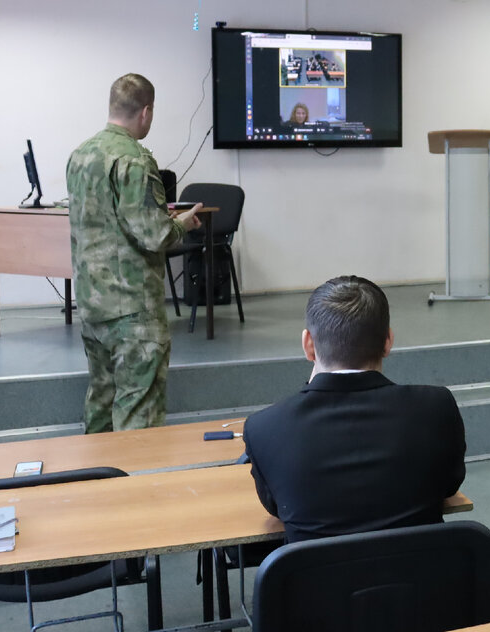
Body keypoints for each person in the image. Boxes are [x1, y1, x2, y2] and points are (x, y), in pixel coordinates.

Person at [242, 275, 466, 542]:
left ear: (308, 344)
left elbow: (275, 506)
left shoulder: (264, 428)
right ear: (388, 341)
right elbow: (449, 485)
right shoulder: (436, 408)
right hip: (421, 569)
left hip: (318, 571)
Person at [67, 74, 201, 433]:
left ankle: (96, 467)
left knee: (101, 400)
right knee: (138, 411)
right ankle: (134, 471)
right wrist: (182, 224)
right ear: (146, 112)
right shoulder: (135, 160)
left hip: (93, 303)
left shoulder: (80, 155)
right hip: (132, 308)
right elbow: (155, 235)